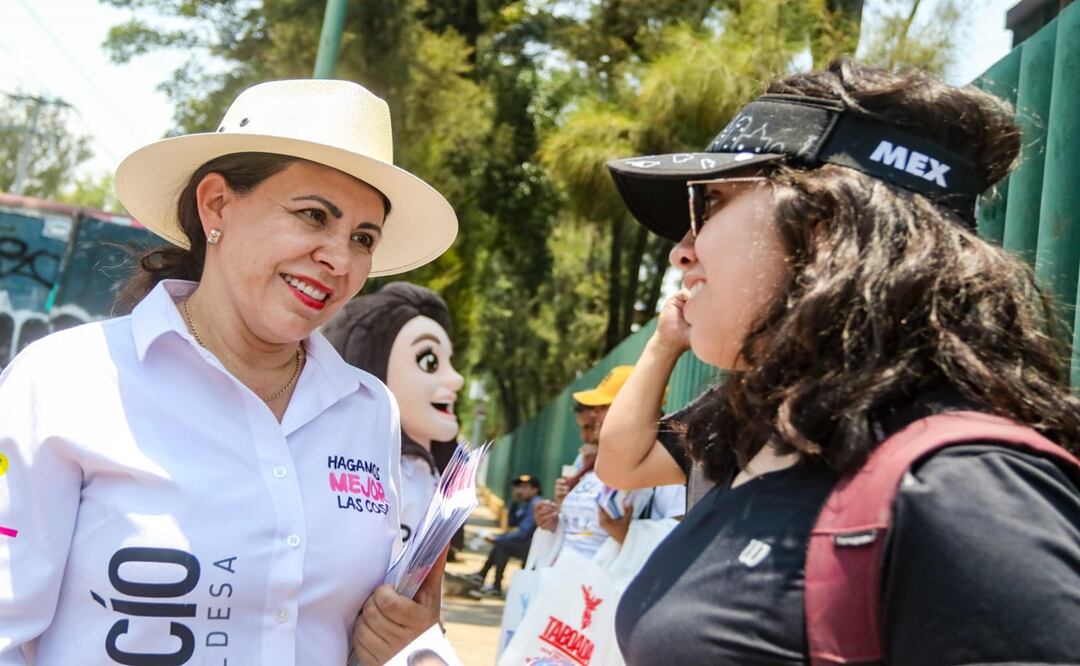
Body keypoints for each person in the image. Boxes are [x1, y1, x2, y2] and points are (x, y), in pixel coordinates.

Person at [598, 59, 1080, 663]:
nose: (681, 252)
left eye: (710, 203)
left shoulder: (961, 489)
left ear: (826, 223)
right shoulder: (757, 440)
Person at [0, 79, 459, 666]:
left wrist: (414, 647)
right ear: (216, 204)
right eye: (313, 215)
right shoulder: (65, 382)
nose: (340, 260)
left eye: (363, 238)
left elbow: (363, 630)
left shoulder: (367, 410)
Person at [323, 282, 465, 547]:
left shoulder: (427, 469)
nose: (456, 379)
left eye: (449, 361)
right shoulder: (352, 471)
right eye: (429, 362)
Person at [534, 366, 685, 560]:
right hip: (570, 581)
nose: (594, 415)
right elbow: (586, 533)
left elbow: (680, 536)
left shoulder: (669, 460)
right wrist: (556, 521)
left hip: (608, 587)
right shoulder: (601, 460)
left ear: (637, 407)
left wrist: (627, 535)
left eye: (603, 407)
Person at [467, 474, 543, 596]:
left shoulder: (536, 504)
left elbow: (522, 533)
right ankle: (482, 576)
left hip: (536, 549)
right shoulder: (527, 504)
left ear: (535, 489)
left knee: (502, 545)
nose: (519, 490)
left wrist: (497, 538)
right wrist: (513, 502)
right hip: (528, 545)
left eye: (524, 487)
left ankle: (492, 582)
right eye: (518, 487)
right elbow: (512, 522)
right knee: (501, 544)